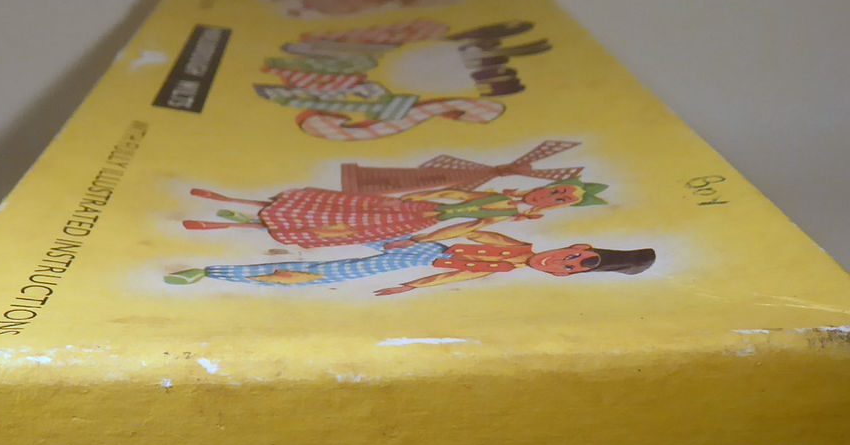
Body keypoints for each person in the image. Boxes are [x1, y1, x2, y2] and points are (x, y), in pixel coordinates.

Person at [165, 219, 655, 292]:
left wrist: (411, 285)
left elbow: (452, 279)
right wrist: (417, 240)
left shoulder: (509, 267)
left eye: (569, 271)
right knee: (333, 243)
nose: (559, 263)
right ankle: (236, 226)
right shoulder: (515, 247)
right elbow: (469, 230)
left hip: (416, 263)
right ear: (577, 246)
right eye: (572, 257)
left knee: (325, 272)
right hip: (420, 248)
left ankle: (214, 272)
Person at [180, 175, 609, 250]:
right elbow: (455, 194)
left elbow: (466, 225)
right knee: (333, 207)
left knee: (337, 226)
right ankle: (232, 201)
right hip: (410, 208)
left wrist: (420, 238)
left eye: (561, 201)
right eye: (557, 191)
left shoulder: (508, 213)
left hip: (417, 219)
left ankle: (225, 222)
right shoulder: (503, 196)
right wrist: (421, 197)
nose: (551, 198)